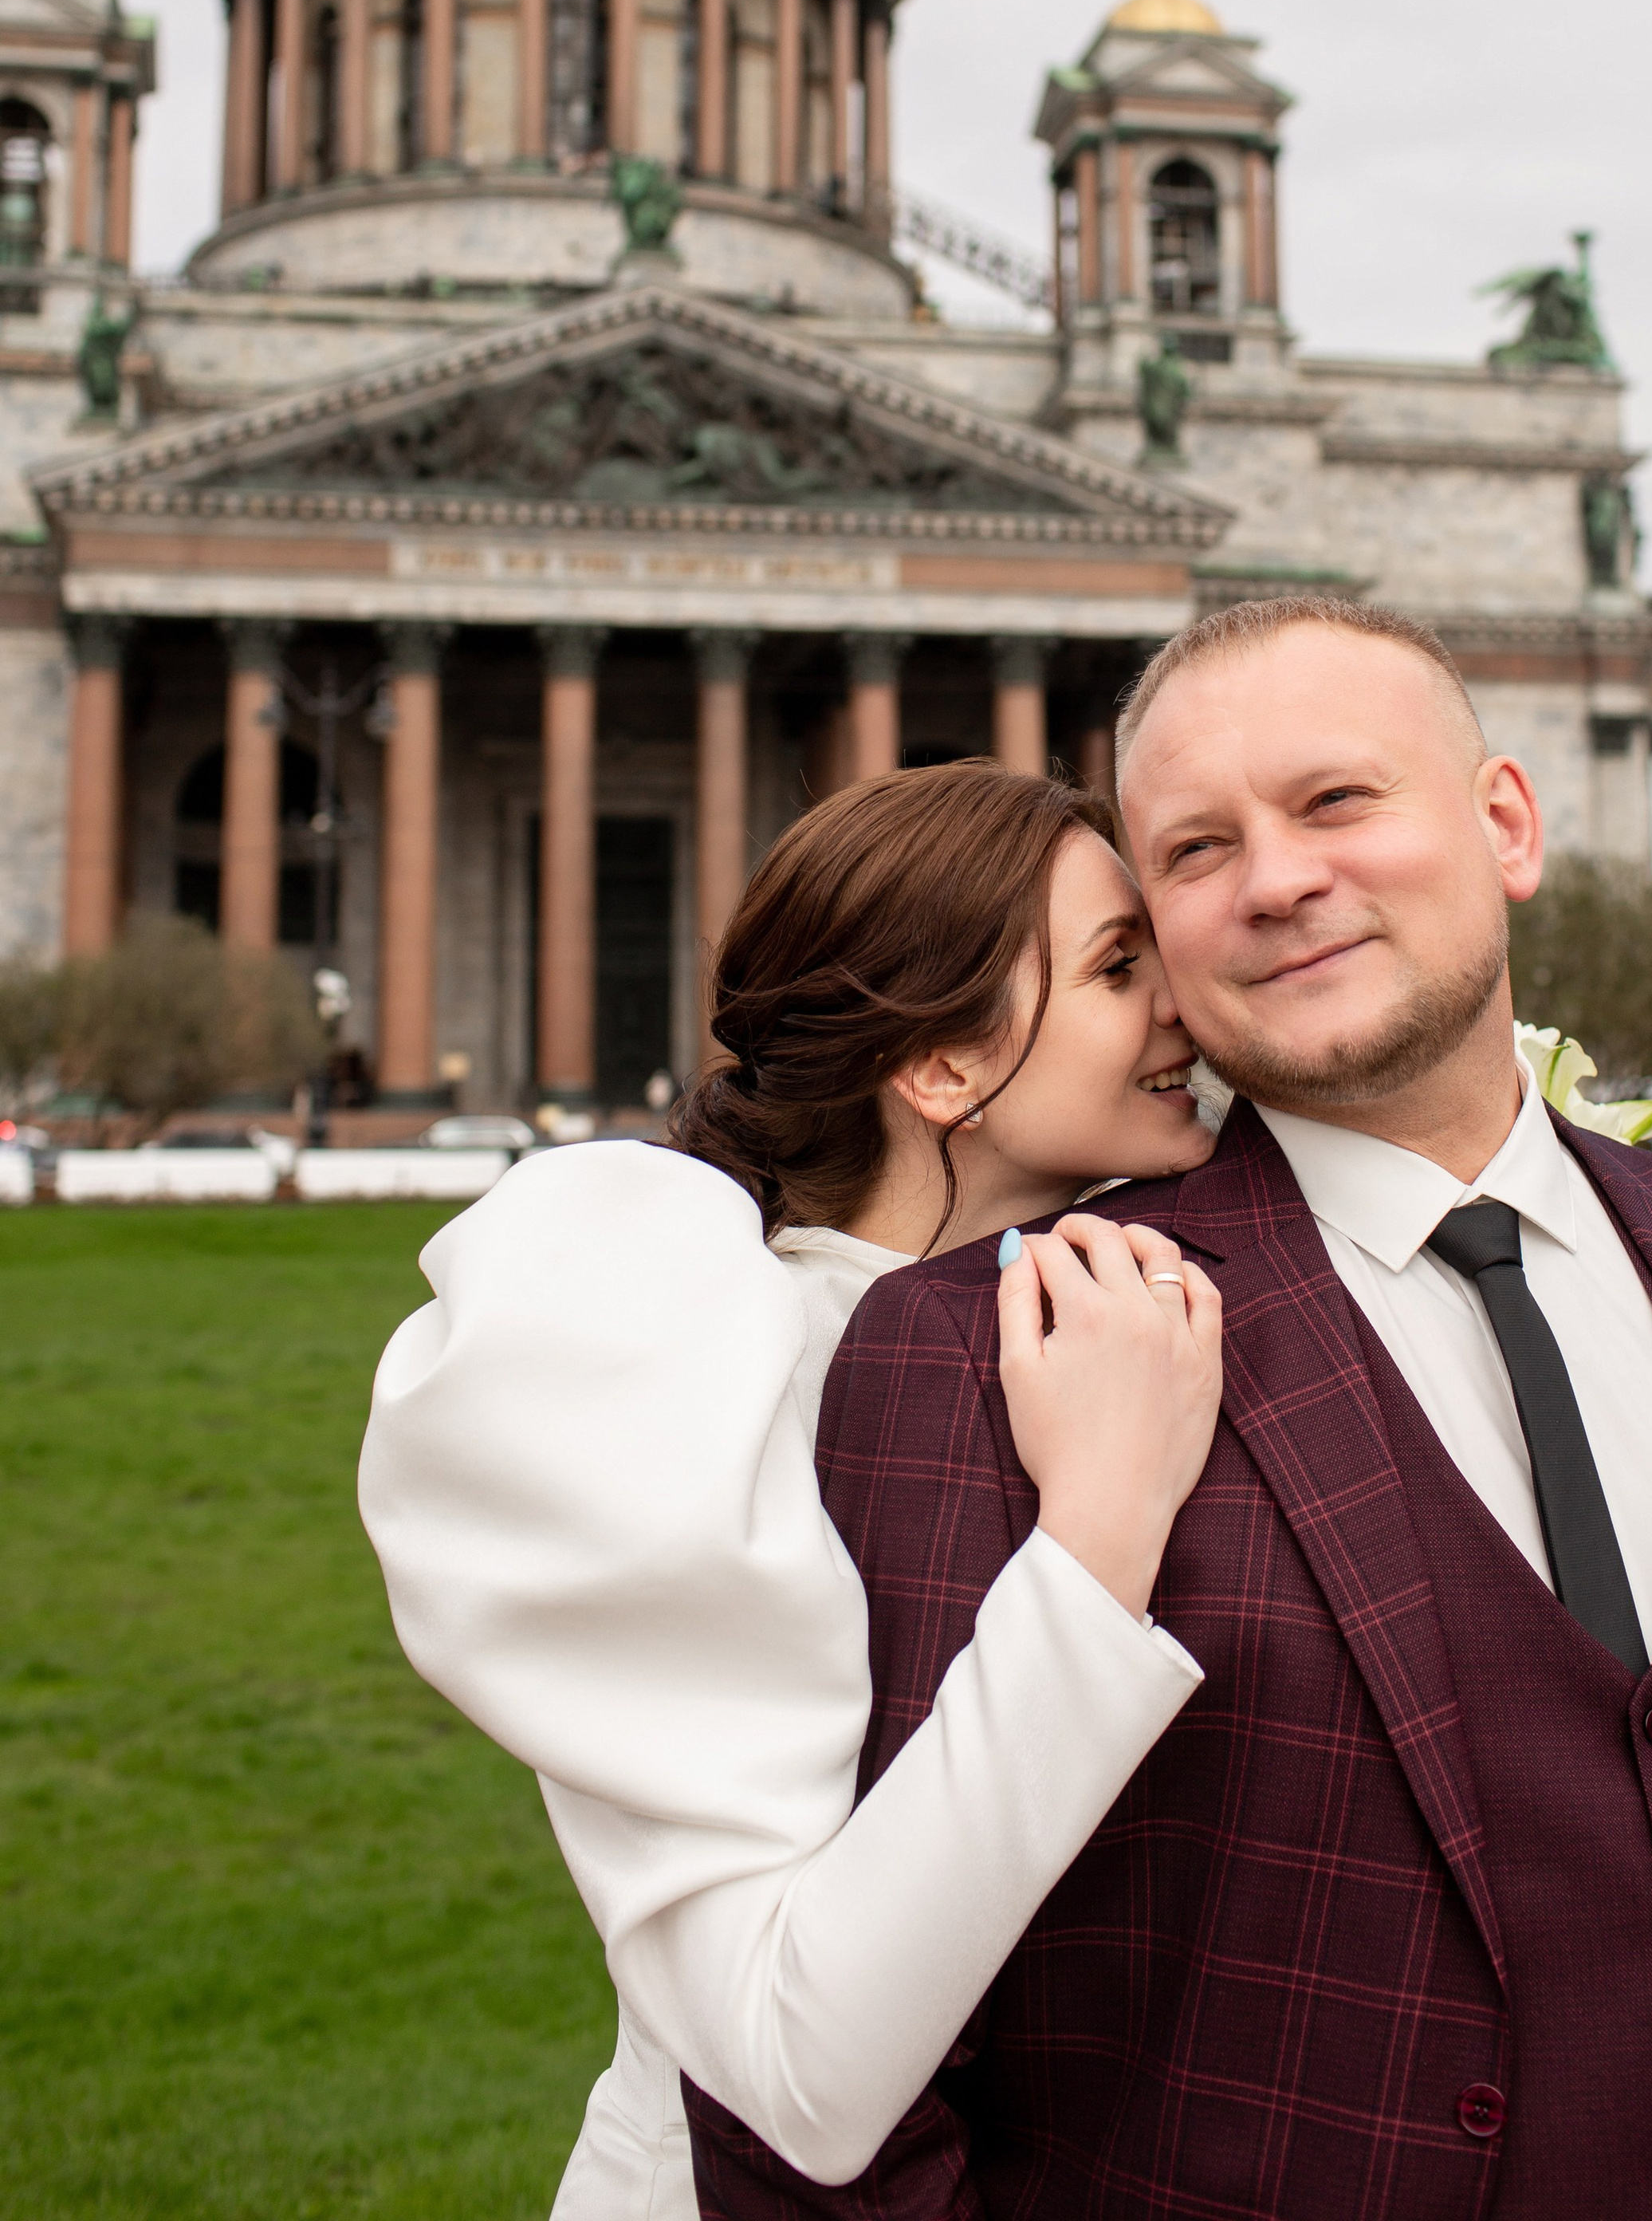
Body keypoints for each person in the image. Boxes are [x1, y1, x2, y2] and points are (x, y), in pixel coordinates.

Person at [689, 597, 1652, 2221]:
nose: (1273, 880)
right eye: (1191, 852)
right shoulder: (980, 1343)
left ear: (1503, 826)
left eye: (1335, 802)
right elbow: (826, 2096)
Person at [358, 764, 1222, 2219]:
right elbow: (797, 2064)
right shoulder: (692, 1368)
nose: (1188, 1001)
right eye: (1117, 967)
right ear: (942, 1069)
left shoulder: (1125, 1312)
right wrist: (1097, 1546)